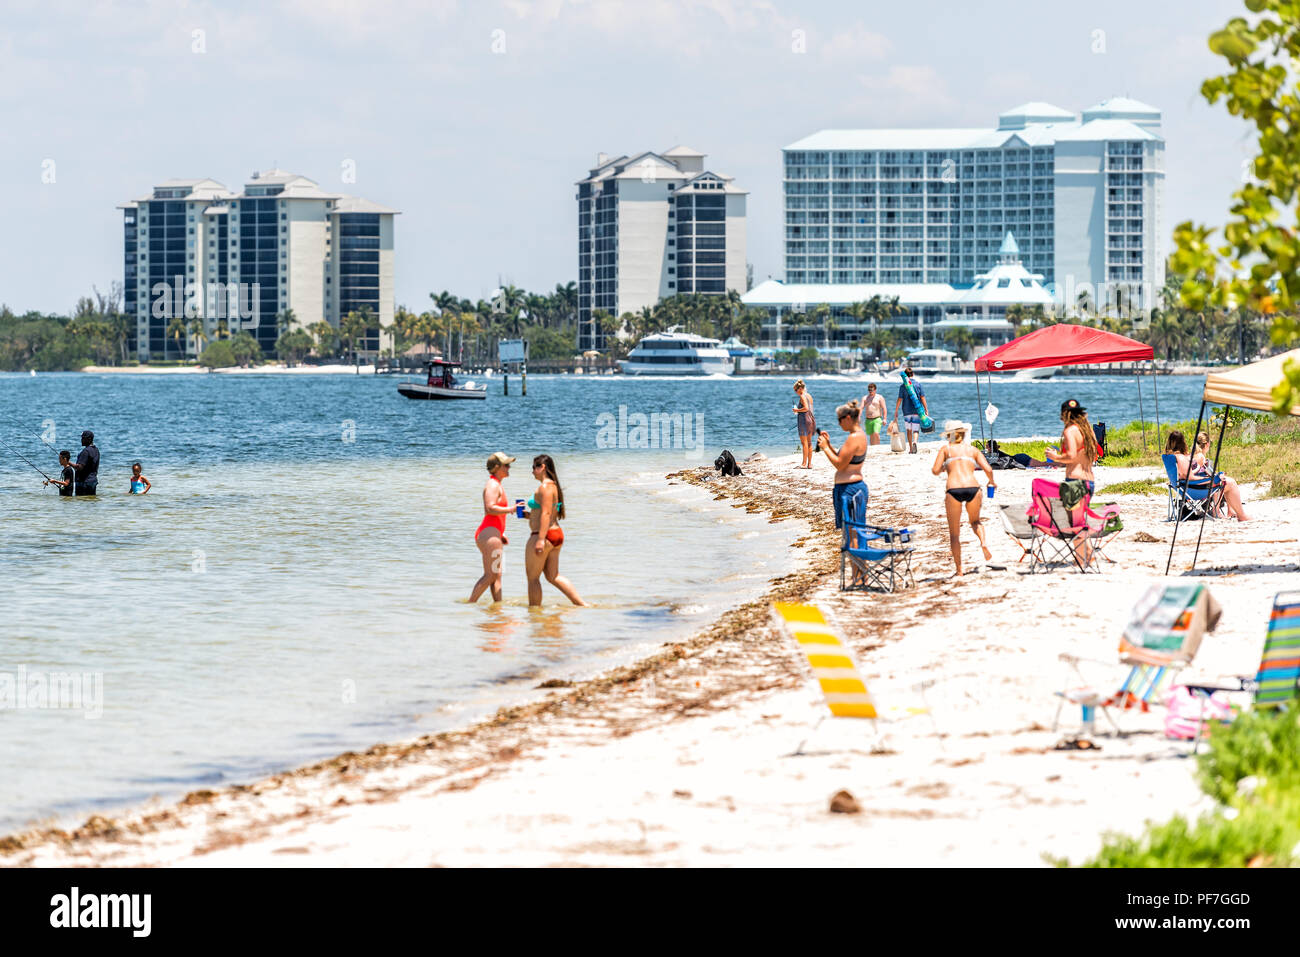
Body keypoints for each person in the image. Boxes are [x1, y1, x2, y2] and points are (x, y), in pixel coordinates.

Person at [931, 420, 995, 577]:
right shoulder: (972, 450)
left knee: (954, 533)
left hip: (953, 489)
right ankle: (983, 542)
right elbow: (988, 469)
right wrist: (991, 482)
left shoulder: (946, 449)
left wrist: (945, 467)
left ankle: (959, 570)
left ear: (949, 435)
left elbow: (935, 470)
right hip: (973, 487)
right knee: (975, 522)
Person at [524, 454, 586, 607]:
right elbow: (549, 513)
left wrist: (539, 540)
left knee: (533, 578)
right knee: (553, 576)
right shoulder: (553, 486)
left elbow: (545, 514)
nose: (532, 471)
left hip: (543, 535)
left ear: (542, 467)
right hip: (556, 534)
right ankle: (581, 604)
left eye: (534, 467)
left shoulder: (544, 487)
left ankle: (535, 614)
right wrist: (528, 515)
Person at [1166, 430, 1249, 521]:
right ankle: (1240, 516)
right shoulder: (1181, 457)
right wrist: (1212, 479)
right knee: (1229, 482)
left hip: (1184, 488)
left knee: (1223, 480)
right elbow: (1190, 477)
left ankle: (1230, 511)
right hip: (1193, 489)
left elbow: (1185, 475)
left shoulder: (1169, 457)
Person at [470, 452, 515, 603]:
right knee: (490, 575)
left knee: (497, 575)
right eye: (506, 465)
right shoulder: (493, 484)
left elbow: (495, 513)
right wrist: (511, 509)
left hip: (493, 533)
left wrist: (501, 533)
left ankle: (498, 609)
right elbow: (490, 508)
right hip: (489, 533)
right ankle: (470, 604)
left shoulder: (497, 483)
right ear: (496, 467)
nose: (509, 468)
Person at [818, 399, 868, 530]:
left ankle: (854, 551)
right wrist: (828, 444)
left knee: (852, 532)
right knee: (851, 531)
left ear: (847, 418)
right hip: (850, 487)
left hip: (849, 489)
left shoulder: (854, 437)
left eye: (839, 420)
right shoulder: (858, 435)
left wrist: (825, 448)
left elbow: (840, 465)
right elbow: (844, 458)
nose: (839, 424)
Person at [1044, 399, 1098, 494]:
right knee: (1080, 509)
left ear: (1064, 414)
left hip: (1075, 481)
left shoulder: (1070, 431)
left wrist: (1055, 457)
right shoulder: (1088, 431)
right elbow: (1090, 455)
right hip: (1089, 482)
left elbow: (1071, 456)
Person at [893, 367, 929, 454]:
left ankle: (910, 449)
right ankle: (915, 442)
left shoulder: (903, 386)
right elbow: (922, 397)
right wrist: (926, 409)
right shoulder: (918, 384)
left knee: (909, 430)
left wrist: (896, 410)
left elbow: (899, 399)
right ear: (913, 374)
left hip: (906, 410)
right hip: (917, 410)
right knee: (916, 429)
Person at [792, 380, 815, 468]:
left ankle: (804, 463)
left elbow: (805, 408)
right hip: (810, 419)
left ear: (800, 388)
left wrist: (796, 410)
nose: (795, 392)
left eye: (796, 390)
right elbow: (810, 409)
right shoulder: (809, 396)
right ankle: (809, 464)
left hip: (804, 420)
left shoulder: (802, 396)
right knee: (809, 443)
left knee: (804, 443)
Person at [859, 382, 887, 450]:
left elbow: (884, 408)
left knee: (876, 433)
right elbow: (861, 407)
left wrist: (884, 419)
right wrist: (858, 416)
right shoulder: (865, 398)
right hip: (868, 419)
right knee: (871, 435)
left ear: (875, 390)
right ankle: (873, 448)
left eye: (871, 390)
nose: (870, 391)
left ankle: (878, 447)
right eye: (869, 390)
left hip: (877, 419)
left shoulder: (879, 397)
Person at [74, 430, 99, 496]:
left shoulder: (86, 451)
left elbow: (79, 467)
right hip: (93, 481)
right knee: (90, 502)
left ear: (89, 439)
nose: (81, 440)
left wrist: (68, 463)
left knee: (81, 503)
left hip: (84, 482)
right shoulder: (96, 450)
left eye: (83, 438)